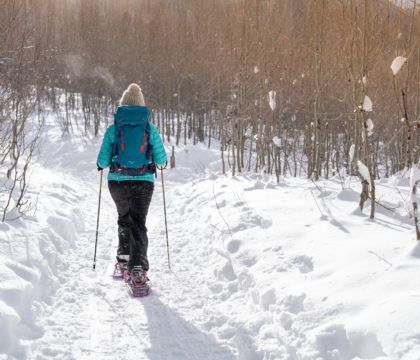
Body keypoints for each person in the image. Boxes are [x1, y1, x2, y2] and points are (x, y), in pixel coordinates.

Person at [97, 83, 167, 287]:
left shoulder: (114, 128)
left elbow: (103, 160)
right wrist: (159, 163)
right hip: (143, 181)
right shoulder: (149, 127)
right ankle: (137, 269)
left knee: (124, 219)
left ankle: (123, 260)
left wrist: (102, 165)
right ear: (142, 106)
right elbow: (161, 159)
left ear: (122, 105)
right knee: (138, 222)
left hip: (117, 181)